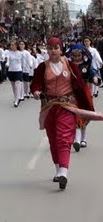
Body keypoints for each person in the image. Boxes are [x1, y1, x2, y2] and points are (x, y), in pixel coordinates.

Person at [31, 37, 94, 190]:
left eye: (56, 48)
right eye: (50, 48)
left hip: (67, 105)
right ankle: (58, 169)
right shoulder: (42, 67)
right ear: (47, 50)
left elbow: (79, 83)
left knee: (63, 137)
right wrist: (36, 91)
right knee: (53, 139)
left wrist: (85, 103)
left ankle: (64, 172)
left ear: (61, 49)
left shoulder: (70, 65)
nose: (53, 51)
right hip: (50, 107)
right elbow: (36, 83)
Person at [65, 44, 100, 151]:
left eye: (79, 55)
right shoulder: (68, 65)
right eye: (74, 55)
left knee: (85, 115)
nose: (77, 57)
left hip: (85, 93)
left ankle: (83, 138)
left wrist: (95, 78)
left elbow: (93, 73)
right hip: (72, 93)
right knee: (75, 115)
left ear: (82, 54)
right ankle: (77, 139)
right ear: (71, 55)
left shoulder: (87, 65)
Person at [6, 41, 23, 107]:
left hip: (18, 70)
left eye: (13, 45)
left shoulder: (20, 53)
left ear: (16, 46)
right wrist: (7, 64)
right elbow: (8, 60)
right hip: (11, 70)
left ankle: (17, 100)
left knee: (17, 85)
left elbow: (22, 62)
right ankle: (16, 97)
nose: (12, 46)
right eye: (11, 45)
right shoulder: (8, 53)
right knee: (13, 86)